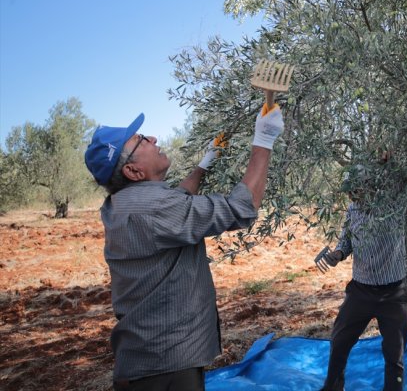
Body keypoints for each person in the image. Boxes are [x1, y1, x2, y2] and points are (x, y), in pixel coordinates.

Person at [84, 104, 284, 391]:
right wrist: (264, 140)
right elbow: (242, 207)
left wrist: (204, 163)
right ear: (132, 170)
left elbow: (178, 198)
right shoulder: (155, 208)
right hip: (168, 365)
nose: (152, 138)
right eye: (141, 140)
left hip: (144, 359)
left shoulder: (122, 203)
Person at [315, 164, 407, 391]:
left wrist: (389, 159)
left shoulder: (394, 205)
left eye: (356, 191)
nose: (352, 196)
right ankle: (333, 387)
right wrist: (337, 255)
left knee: (394, 354)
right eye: (350, 192)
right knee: (339, 342)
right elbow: (345, 241)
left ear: (370, 187)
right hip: (360, 291)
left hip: (393, 293)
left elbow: (402, 176)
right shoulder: (353, 210)